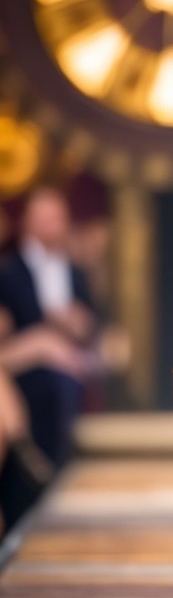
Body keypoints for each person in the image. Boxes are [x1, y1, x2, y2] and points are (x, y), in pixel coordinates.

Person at [0, 188, 97, 487]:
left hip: (66, 362)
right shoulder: (9, 272)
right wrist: (41, 344)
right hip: (25, 369)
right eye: (44, 218)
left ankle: (47, 473)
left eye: (57, 218)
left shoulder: (75, 271)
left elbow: (91, 321)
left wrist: (76, 325)